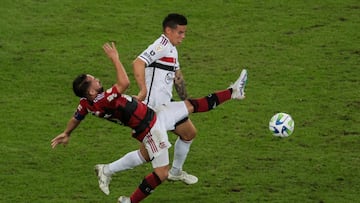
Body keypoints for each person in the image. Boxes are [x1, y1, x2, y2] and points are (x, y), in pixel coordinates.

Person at [51, 42, 247, 203]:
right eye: (93, 80)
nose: (97, 79)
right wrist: (115, 59)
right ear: (91, 91)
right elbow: (124, 83)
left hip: (154, 114)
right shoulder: (104, 99)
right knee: (161, 173)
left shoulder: (86, 103)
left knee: (191, 105)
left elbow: (77, 117)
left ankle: (233, 92)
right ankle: (128, 200)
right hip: (151, 129)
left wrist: (67, 132)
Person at [95, 14, 197, 196]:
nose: (183, 36)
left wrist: (185, 102)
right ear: (168, 30)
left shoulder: (172, 49)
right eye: (180, 32)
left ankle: (175, 172)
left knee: (189, 133)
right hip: (151, 112)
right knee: (149, 158)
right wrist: (142, 90)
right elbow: (138, 62)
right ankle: (107, 170)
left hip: (166, 106)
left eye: (184, 32)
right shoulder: (162, 45)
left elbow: (177, 77)